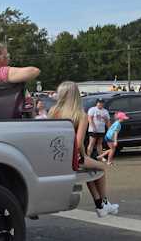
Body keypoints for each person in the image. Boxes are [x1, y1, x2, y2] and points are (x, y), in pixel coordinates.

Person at [49, 81, 118, 217]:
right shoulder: (80, 115)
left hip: (55, 154)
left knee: (89, 173)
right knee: (101, 168)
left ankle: (100, 205)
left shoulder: (53, 112)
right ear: (76, 96)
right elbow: (78, 141)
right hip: (73, 157)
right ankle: (103, 203)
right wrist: (84, 155)